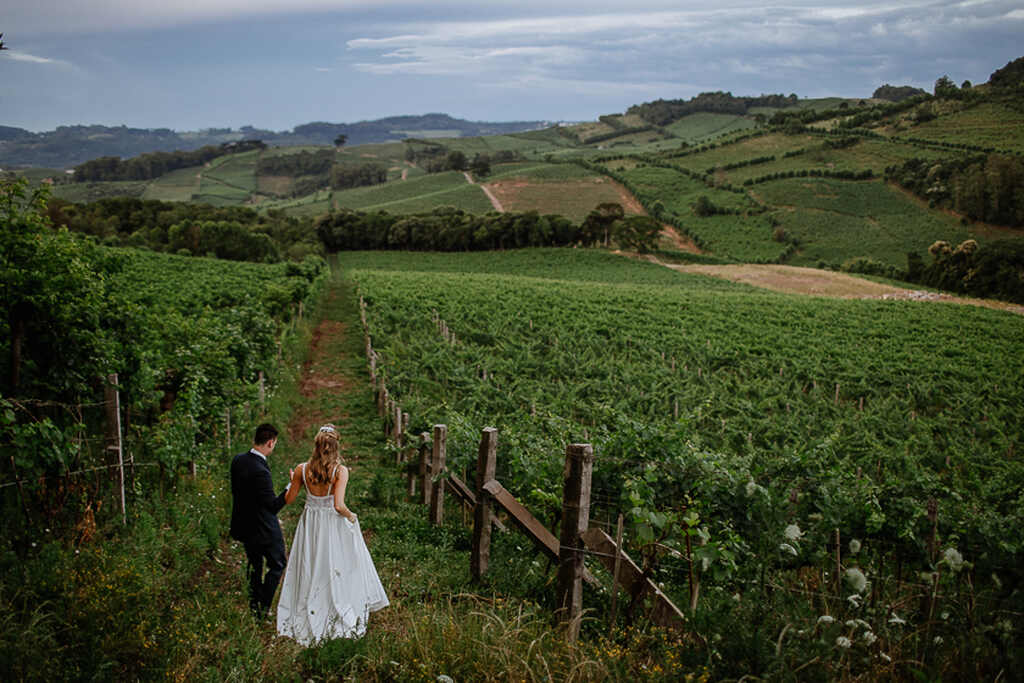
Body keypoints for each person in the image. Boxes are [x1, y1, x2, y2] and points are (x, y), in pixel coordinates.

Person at [276, 424, 389, 644]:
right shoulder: (340, 471)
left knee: (309, 562)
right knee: (334, 563)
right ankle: (331, 603)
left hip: (310, 522)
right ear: (336, 447)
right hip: (331, 524)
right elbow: (338, 505)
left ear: (316, 445)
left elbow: (289, 500)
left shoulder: (301, 469)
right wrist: (351, 515)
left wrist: (292, 481)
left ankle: (308, 603)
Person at [229, 423, 294, 618]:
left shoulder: (238, 460)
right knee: (277, 564)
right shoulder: (261, 471)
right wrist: (290, 486)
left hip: (244, 524)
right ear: (270, 442)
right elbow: (273, 506)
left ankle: (253, 604)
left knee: (255, 564)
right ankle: (262, 608)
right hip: (264, 528)